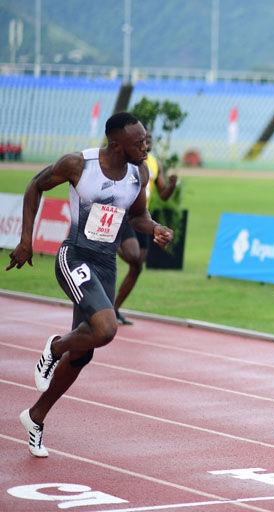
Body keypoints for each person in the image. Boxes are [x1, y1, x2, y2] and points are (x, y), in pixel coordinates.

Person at [6, 112, 173, 457]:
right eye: (138, 141)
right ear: (116, 143)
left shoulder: (138, 172)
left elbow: (137, 216)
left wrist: (154, 227)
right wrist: (26, 241)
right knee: (107, 328)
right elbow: (35, 186)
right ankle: (54, 348)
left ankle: (35, 416)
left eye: (145, 140)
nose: (146, 146)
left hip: (105, 263)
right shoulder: (79, 165)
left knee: (82, 354)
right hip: (75, 255)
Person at [114, 130, 177, 325]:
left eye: (148, 140)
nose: (146, 144)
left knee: (137, 265)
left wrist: (173, 185)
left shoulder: (154, 164)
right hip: (123, 214)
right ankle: (107, 240)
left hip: (142, 217)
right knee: (133, 256)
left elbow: (163, 194)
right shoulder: (128, 161)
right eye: (142, 140)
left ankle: (114, 308)